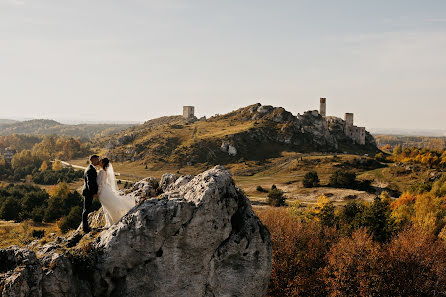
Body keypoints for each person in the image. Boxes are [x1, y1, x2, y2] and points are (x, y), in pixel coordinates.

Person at [97, 158, 136, 227]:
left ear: (102, 163)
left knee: (108, 208)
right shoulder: (104, 171)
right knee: (107, 207)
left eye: (100, 161)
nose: (98, 162)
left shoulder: (101, 171)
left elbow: (101, 184)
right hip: (105, 190)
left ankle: (112, 222)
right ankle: (110, 222)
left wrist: (98, 193)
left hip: (103, 192)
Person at [82, 155, 100, 233]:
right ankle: (85, 229)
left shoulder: (90, 168)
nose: (98, 161)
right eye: (97, 160)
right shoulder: (90, 170)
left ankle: (85, 227)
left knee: (86, 209)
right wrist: (94, 193)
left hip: (88, 192)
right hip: (88, 192)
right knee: (86, 210)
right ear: (93, 160)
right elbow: (90, 183)